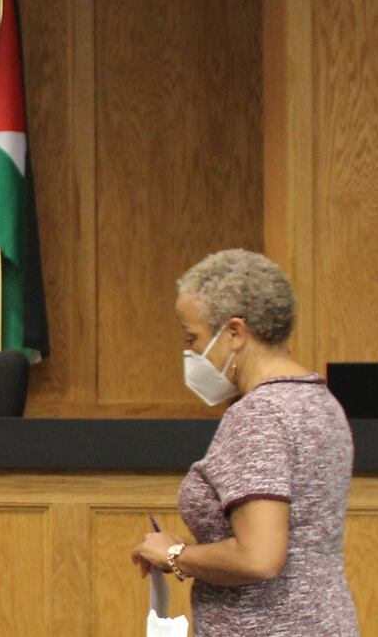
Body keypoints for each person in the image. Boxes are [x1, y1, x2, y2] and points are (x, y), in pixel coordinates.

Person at [131, 249, 357, 636]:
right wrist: (197, 549)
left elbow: (259, 558)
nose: (190, 352)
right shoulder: (320, 400)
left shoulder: (259, 415)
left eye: (193, 337)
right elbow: (293, 537)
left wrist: (174, 555)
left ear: (235, 333)